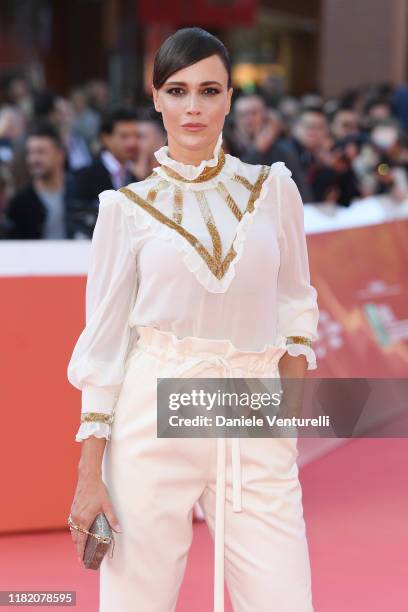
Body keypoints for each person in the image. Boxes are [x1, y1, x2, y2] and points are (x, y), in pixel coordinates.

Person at [67, 27, 319, 612]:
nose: (193, 107)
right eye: (177, 91)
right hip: (150, 412)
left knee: (282, 599)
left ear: (231, 97)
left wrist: (284, 421)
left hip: (251, 411)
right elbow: (104, 346)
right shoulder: (124, 210)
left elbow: (296, 310)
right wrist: (89, 474)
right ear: (156, 98)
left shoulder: (273, 190)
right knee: (138, 601)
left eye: (209, 90)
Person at [4, 121, 76, 239]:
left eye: (41, 152)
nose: (34, 159)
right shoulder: (19, 203)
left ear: (60, 155)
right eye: (31, 153)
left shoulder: (78, 192)